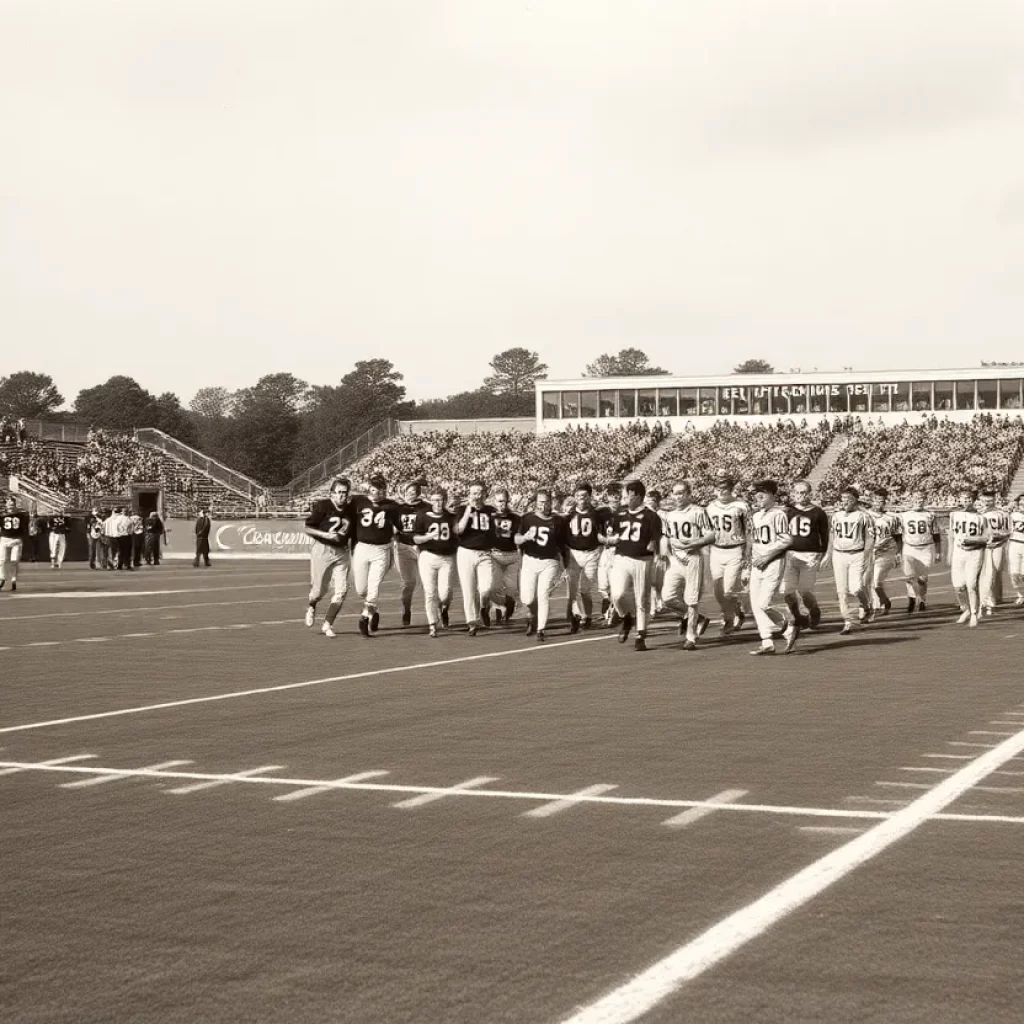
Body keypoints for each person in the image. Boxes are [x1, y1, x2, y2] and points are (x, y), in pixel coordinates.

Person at [607, 479, 664, 651]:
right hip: (622, 558)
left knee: (642, 599)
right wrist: (609, 540)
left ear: (638, 496)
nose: (625, 498)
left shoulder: (651, 516)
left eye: (628, 495)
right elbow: (611, 535)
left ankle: (641, 634)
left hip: (642, 560)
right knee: (617, 595)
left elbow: (657, 538)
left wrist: (653, 544)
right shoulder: (619, 514)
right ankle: (626, 618)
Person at [660, 480, 713, 650]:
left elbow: (711, 535)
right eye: (675, 493)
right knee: (667, 598)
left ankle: (691, 636)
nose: (678, 496)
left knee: (691, 600)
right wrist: (665, 553)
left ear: (689, 494)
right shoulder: (670, 515)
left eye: (681, 492)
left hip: (692, 558)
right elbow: (666, 536)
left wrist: (693, 544)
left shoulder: (698, 512)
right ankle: (698, 618)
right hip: (675, 560)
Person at [747, 480, 799, 655]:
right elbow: (753, 543)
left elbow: (787, 540)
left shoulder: (778, 514)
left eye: (762, 493)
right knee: (755, 604)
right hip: (757, 563)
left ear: (772, 495)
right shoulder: (756, 516)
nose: (758, 496)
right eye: (756, 493)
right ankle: (767, 640)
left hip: (773, 561)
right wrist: (748, 566)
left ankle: (787, 625)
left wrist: (767, 557)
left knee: (764, 603)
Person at [303, 476, 355, 638]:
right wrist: (326, 535)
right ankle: (312, 605)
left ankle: (328, 624)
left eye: (344, 493)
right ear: (332, 493)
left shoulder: (350, 509)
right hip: (323, 550)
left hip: (342, 552)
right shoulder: (323, 506)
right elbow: (307, 528)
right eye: (338, 493)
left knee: (342, 590)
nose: (341, 496)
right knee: (319, 591)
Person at [515, 488, 568, 642]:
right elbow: (516, 539)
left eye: (546, 502)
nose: (543, 506)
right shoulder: (527, 518)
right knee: (527, 598)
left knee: (543, 594)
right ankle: (532, 614)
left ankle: (541, 629)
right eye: (540, 502)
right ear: (535, 503)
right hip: (530, 560)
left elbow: (563, 546)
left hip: (550, 562)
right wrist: (525, 537)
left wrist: (565, 567)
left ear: (551, 502)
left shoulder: (558, 521)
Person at [349, 475, 396, 637]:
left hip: (381, 550)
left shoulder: (391, 505)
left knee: (373, 586)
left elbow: (401, 524)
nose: (377, 493)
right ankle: (373, 611)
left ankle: (365, 617)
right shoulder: (358, 501)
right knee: (361, 590)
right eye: (375, 489)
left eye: (381, 490)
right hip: (362, 548)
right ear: (369, 488)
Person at [825, 486, 874, 635]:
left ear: (856, 501)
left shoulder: (863, 516)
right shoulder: (836, 516)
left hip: (856, 554)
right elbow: (832, 535)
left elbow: (870, 537)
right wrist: (828, 553)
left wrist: (866, 554)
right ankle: (848, 621)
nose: (844, 502)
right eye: (843, 499)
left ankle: (866, 605)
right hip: (839, 554)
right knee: (842, 591)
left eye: (848, 499)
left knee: (856, 588)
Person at [706, 475, 750, 634]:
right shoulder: (710, 507)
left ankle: (730, 618)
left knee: (728, 590)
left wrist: (747, 553)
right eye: (718, 488)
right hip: (716, 550)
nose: (721, 492)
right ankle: (736, 611)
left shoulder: (741, 506)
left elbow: (749, 530)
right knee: (718, 592)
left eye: (724, 488)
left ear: (731, 489)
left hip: (735, 549)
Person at [783, 479, 829, 629]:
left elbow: (824, 536)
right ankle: (798, 616)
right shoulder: (787, 511)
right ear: (792, 494)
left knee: (804, 591)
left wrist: (822, 555)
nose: (800, 496)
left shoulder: (818, 512)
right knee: (787, 591)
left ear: (809, 494)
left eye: (803, 492)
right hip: (790, 554)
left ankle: (813, 610)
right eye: (797, 492)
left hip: (810, 555)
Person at [413, 486, 458, 638]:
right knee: (430, 592)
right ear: (430, 501)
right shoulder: (422, 515)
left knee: (445, 594)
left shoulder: (451, 517)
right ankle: (432, 624)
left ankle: (443, 608)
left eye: (440, 500)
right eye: (434, 500)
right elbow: (416, 538)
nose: (437, 503)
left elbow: (458, 536)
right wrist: (429, 536)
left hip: (447, 558)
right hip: (428, 557)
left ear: (445, 500)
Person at [563, 482, 607, 632]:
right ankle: (576, 616)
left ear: (589, 497)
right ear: (574, 497)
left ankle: (587, 616)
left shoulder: (596, 514)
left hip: (591, 553)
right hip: (574, 554)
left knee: (585, 589)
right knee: (572, 589)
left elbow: (601, 534)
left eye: (584, 496)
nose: (581, 499)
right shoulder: (568, 515)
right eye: (579, 496)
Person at [454, 481, 496, 636]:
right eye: (473, 493)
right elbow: (459, 530)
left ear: (485, 493)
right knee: (468, 590)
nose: (476, 496)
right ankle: (472, 622)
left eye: (479, 493)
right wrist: (468, 510)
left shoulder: (491, 510)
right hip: (466, 552)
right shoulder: (461, 509)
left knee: (486, 588)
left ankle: (484, 607)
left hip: (485, 553)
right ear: (468, 494)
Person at [896, 491, 942, 613]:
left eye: (921, 499)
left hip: (926, 547)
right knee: (909, 576)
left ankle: (922, 599)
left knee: (922, 578)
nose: (919, 502)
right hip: (909, 547)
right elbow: (899, 535)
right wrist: (898, 551)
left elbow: (936, 533)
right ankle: (911, 598)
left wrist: (938, 551)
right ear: (911, 501)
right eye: (916, 499)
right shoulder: (903, 515)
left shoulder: (930, 515)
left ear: (924, 501)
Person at [948, 488, 988, 627]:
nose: (965, 501)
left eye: (968, 499)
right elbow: (951, 536)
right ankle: (965, 609)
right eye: (963, 498)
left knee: (971, 584)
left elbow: (987, 538)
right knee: (958, 586)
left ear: (974, 501)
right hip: (958, 552)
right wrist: (949, 553)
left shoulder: (981, 517)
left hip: (974, 553)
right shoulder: (954, 515)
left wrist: (974, 540)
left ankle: (974, 614)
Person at [393, 481, 429, 627]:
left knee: (428, 583)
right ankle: (406, 609)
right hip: (403, 547)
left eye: (412, 492)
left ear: (418, 493)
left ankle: (433, 612)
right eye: (407, 492)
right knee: (409, 583)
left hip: (423, 548)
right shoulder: (398, 509)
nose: (409, 495)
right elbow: (393, 528)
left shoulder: (426, 507)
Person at [867, 489, 902, 614]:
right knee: (868, 581)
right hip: (869, 551)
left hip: (886, 551)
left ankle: (881, 603)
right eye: (876, 501)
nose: (879, 504)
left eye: (881, 501)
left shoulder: (892, 518)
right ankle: (881, 603)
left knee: (876, 580)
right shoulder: (864, 515)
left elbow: (898, 537)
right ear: (871, 501)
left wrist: (898, 553)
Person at [489, 488, 520, 626]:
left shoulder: (516, 517)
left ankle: (509, 603)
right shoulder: (490, 516)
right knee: (493, 587)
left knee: (512, 589)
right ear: (494, 501)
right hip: (495, 554)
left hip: (513, 555)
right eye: (499, 501)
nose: (502, 503)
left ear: (508, 501)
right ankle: (500, 606)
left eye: (504, 501)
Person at [978, 490, 1011, 616]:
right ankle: (987, 602)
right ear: (981, 500)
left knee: (996, 570)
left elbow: (1008, 531)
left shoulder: (1002, 513)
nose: (987, 503)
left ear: (994, 500)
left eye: (990, 500)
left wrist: (1000, 537)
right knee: (987, 573)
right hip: (983, 547)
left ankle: (996, 596)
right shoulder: (978, 514)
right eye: (985, 500)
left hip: (998, 545)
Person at [596, 482, 623, 626]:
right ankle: (608, 611)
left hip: (619, 552)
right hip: (606, 551)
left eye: (617, 496)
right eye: (612, 496)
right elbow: (598, 534)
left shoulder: (625, 512)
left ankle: (613, 613)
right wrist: (605, 540)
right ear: (608, 497)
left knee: (615, 583)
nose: (615, 499)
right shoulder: (602, 513)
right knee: (602, 585)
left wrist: (612, 540)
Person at [1, 496, 29, 592]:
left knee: (14, 561)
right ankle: (2, 578)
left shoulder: (21, 515)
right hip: (5, 539)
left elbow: (25, 527)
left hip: (16, 540)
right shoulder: (2, 514)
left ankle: (13, 580)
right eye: (9, 502)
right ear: (6, 504)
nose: (11, 504)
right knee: (2, 560)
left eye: (12, 502)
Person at [1009, 493, 1024, 606]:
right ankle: (1020, 595)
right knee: (1014, 574)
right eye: (1021, 501)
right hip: (1014, 544)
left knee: (1023, 574)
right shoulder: (1013, 515)